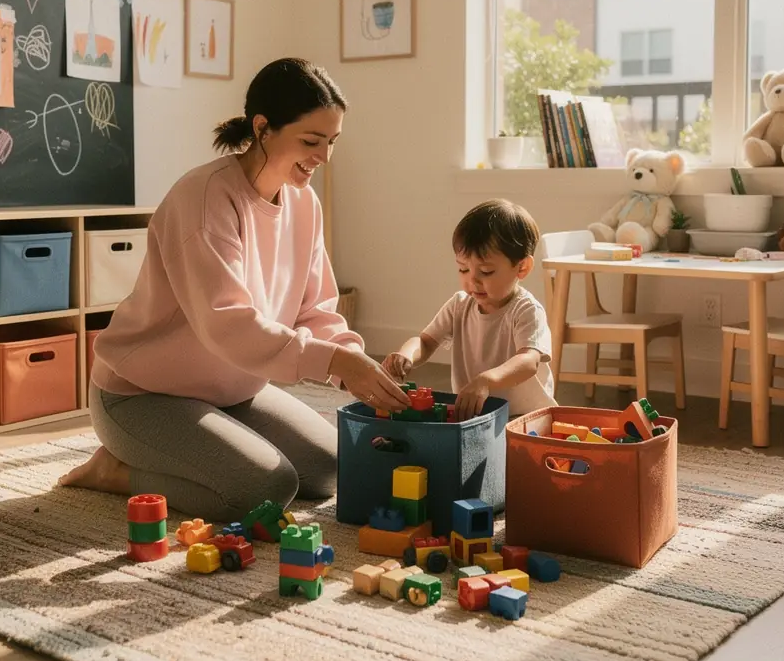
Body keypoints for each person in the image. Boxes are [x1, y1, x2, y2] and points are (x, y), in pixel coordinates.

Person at [59, 57, 406, 518]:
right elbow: (227, 325)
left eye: (332, 142)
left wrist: (354, 366)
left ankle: (211, 445)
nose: (324, 157)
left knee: (329, 468)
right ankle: (114, 471)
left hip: (231, 390)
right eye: (311, 141)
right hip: (141, 396)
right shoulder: (204, 198)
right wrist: (331, 360)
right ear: (263, 128)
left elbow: (316, 307)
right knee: (263, 488)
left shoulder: (304, 203)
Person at [383, 199, 556, 419]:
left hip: (524, 417)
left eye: (486, 271)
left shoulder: (526, 310)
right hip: (476, 413)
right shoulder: (459, 305)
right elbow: (426, 342)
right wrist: (405, 355)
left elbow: (528, 361)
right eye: (463, 269)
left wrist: (486, 381)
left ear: (522, 267)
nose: (472, 281)